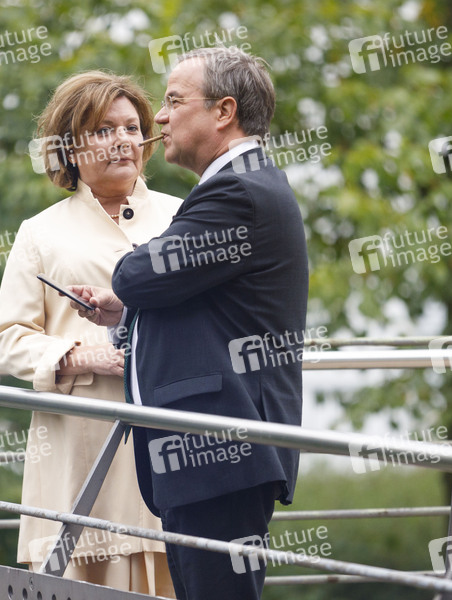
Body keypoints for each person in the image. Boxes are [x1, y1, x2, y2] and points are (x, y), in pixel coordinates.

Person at [69, 47, 309, 600]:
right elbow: (206, 302)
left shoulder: (237, 191)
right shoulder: (247, 184)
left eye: (174, 101)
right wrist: (129, 312)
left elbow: (136, 274)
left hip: (220, 452)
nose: (159, 117)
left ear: (224, 112)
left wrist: (129, 285)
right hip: (218, 454)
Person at [0, 70, 181, 597]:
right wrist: (81, 357)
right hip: (79, 445)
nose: (122, 140)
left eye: (132, 127)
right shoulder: (40, 232)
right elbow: (8, 337)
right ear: (70, 148)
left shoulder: (183, 217)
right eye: (103, 130)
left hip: (171, 441)